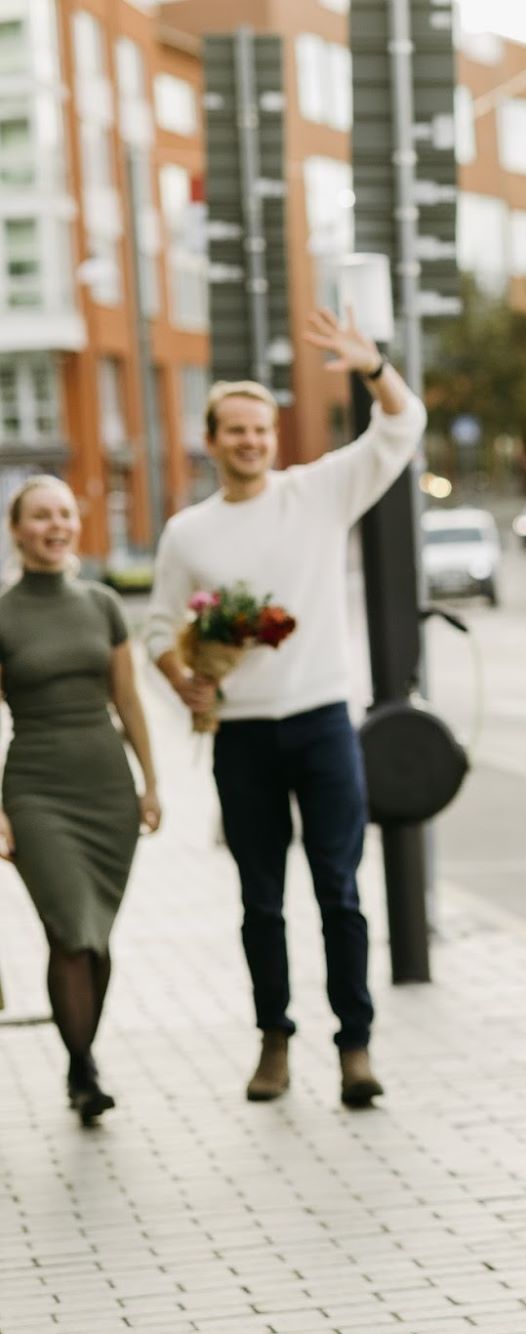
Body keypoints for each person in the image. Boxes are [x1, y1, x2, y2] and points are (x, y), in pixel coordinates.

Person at [142, 306, 425, 1109]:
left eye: (260, 429)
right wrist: (182, 679)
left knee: (339, 888)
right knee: (259, 899)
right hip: (240, 737)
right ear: (213, 440)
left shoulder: (319, 492)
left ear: (275, 435)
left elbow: (403, 429)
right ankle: (274, 1041)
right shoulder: (187, 531)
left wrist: (372, 366)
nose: (250, 441)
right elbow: (160, 626)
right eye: (234, 430)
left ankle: (356, 1049)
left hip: (322, 722)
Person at [0, 476, 161, 1123]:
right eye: (41, 516)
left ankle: (77, 1057)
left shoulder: (101, 604)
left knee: (96, 937)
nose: (55, 526)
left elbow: (127, 700)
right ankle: (87, 1069)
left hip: (107, 790)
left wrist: (151, 782)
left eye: (64, 514)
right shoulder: (3, 613)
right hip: (37, 788)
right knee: (69, 930)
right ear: (18, 531)